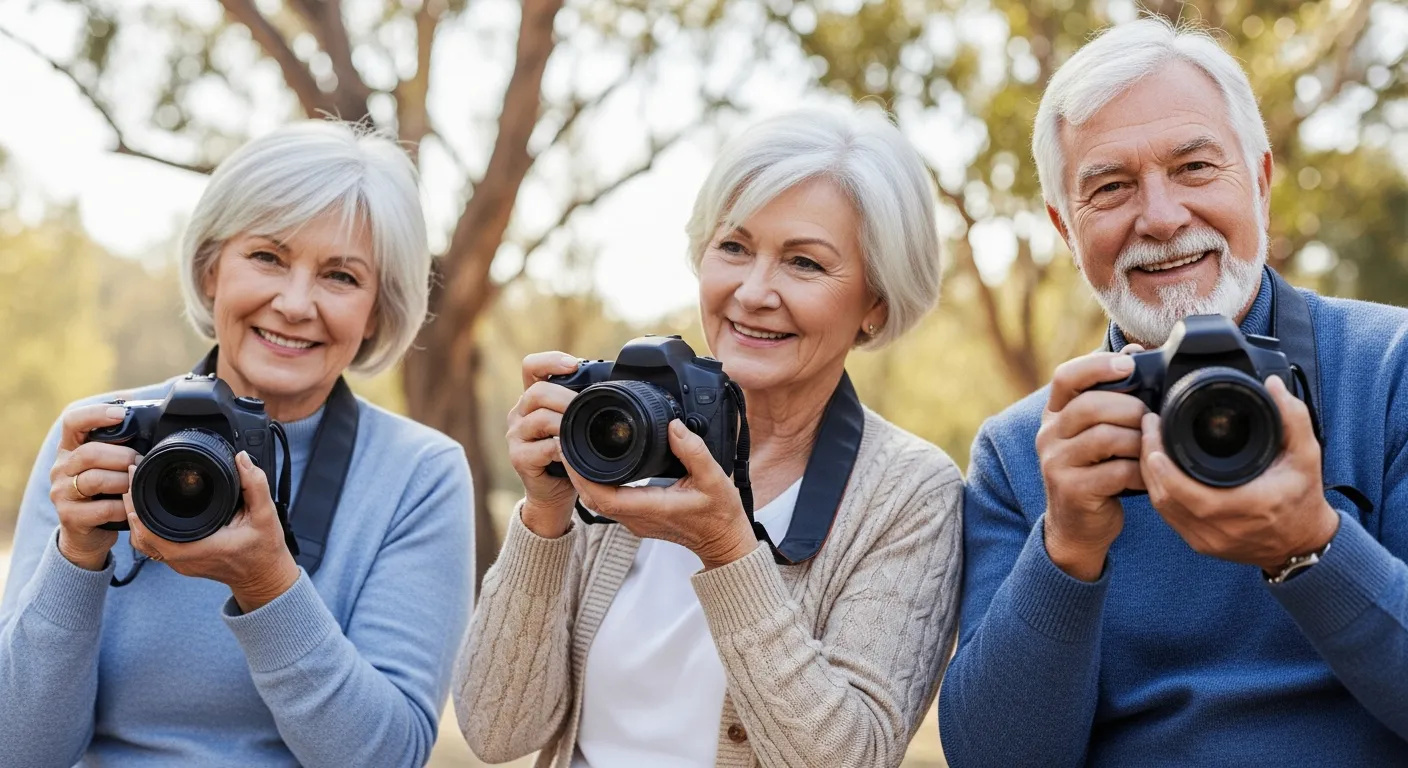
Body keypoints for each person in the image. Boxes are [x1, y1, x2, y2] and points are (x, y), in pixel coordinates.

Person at [939, 17, 1408, 765]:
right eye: (1111, 187)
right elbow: (996, 756)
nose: (1159, 218)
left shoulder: (1390, 369)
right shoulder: (1026, 453)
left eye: (1194, 168)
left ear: (1259, 178)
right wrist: (1066, 549)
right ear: (1066, 227)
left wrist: (1310, 546)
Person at [454, 105, 962, 767]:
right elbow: (496, 732)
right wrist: (545, 515)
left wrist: (727, 552)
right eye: (734, 248)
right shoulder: (613, 432)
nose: (753, 291)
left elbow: (850, 758)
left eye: (803, 263)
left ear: (876, 304)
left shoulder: (908, 494)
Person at [0, 121, 474, 767]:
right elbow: (20, 750)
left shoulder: (418, 474)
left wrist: (268, 582)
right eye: (268, 257)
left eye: (340, 276)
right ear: (211, 269)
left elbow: (387, 757)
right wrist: (77, 557)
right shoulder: (95, 440)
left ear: (377, 312)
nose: (295, 303)